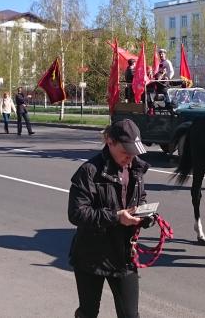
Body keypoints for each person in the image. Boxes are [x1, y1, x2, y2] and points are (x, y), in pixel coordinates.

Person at [68, 119, 150, 318]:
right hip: (91, 256)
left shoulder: (136, 169)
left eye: (133, 152)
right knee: (88, 313)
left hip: (123, 256)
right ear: (110, 142)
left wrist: (145, 215)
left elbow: (141, 198)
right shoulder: (89, 171)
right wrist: (115, 217)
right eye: (126, 151)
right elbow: (77, 213)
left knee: (130, 315)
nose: (130, 157)